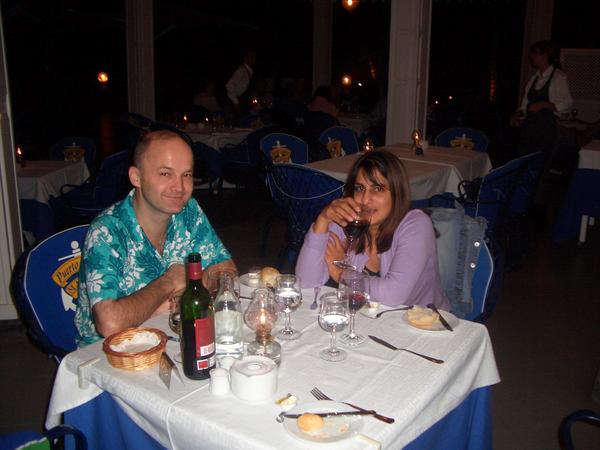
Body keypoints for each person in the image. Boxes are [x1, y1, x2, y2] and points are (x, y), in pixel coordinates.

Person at [74, 130, 236, 346]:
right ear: (136, 177)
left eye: (186, 175)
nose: (179, 187)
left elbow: (227, 271)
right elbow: (110, 324)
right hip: (114, 352)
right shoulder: (107, 230)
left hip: (175, 334)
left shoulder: (189, 211)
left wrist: (185, 293)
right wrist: (169, 282)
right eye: (165, 174)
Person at [295, 149, 449, 309]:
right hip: (367, 317)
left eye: (378, 189)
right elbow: (305, 281)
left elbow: (392, 295)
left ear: (397, 193)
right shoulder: (350, 220)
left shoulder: (416, 224)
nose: (365, 200)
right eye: (359, 188)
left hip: (421, 320)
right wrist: (323, 219)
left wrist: (342, 274)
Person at [510, 40, 573, 155]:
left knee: (541, 162)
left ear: (545, 55)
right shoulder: (533, 78)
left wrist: (544, 104)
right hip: (529, 130)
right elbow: (525, 106)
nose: (531, 56)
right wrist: (517, 115)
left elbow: (567, 105)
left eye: (535, 53)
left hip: (546, 131)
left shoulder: (558, 77)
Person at [225, 49, 256, 114]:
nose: (253, 58)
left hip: (244, 102)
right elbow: (229, 85)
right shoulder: (241, 70)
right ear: (245, 58)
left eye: (253, 56)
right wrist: (236, 102)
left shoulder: (249, 71)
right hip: (239, 104)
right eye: (251, 56)